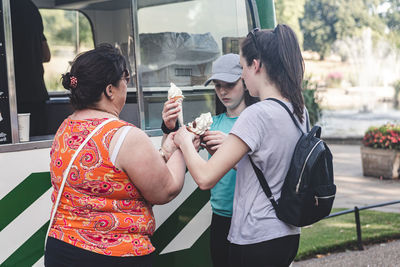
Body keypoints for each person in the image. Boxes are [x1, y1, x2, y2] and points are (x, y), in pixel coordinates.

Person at [173, 24, 308, 267]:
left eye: (243, 68)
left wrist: (184, 141)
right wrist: (229, 156)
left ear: (255, 65)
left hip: (255, 237)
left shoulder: (256, 115)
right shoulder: (298, 110)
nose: (243, 76)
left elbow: (205, 178)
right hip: (287, 233)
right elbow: (271, 167)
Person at [45, 44, 187, 267]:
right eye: (126, 79)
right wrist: (183, 144)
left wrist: (165, 152)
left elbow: (111, 176)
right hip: (115, 255)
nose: (126, 85)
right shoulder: (124, 136)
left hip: (62, 249)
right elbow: (165, 190)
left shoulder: (66, 127)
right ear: (110, 89)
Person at [161, 53, 258, 267]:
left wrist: (231, 150)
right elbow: (172, 149)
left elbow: (267, 170)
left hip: (252, 218)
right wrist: (170, 126)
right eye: (217, 85)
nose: (223, 91)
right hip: (220, 217)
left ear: (244, 81)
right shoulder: (211, 123)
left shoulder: (256, 121)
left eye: (229, 84)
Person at [11, 0, 51, 137]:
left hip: (11, 97)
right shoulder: (31, 8)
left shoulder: (5, 7)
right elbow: (46, 55)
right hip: (36, 93)